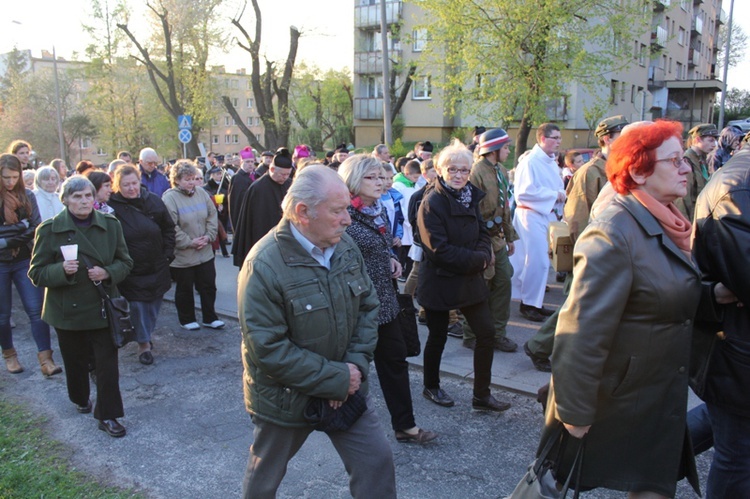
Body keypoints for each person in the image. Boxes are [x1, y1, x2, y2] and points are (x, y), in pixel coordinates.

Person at [542, 120, 730, 497]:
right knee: (559, 484)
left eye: (684, 159)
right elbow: (581, 330)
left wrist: (714, 296)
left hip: (656, 394)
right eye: (673, 160)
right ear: (639, 171)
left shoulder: (669, 221)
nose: (685, 167)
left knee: (652, 486)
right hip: (618, 399)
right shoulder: (614, 230)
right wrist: (575, 413)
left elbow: (662, 292)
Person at [238, 165, 396, 498]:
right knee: (264, 478)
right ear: (303, 212)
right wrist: (336, 378)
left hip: (347, 386)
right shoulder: (263, 265)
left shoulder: (344, 245)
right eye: (338, 211)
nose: (348, 219)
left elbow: (368, 307)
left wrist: (352, 367)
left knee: (376, 462)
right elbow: (268, 349)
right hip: (286, 398)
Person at [339, 155, 437, 444]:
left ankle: (405, 426)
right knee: (356, 369)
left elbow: (380, 244)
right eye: (372, 177)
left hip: (386, 300)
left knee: (395, 362)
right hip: (357, 306)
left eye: (382, 176)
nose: (381, 182)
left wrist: (391, 258)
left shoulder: (377, 207)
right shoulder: (343, 214)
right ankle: (347, 427)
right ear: (353, 180)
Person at [29, 175, 133, 437]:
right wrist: (61, 270)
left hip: (101, 307)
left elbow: (126, 262)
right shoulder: (50, 230)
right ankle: (80, 397)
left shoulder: (110, 225)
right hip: (68, 311)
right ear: (65, 200)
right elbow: (37, 273)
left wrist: (107, 272)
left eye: (88, 195)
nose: (84, 201)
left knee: (107, 366)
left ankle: (108, 414)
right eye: (77, 196)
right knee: (75, 363)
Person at [524, 115, 628, 371]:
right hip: (590, 251)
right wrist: (584, 256)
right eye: (621, 135)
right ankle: (538, 346)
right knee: (574, 306)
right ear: (607, 139)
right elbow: (576, 220)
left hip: (607, 249)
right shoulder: (589, 173)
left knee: (581, 306)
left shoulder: (614, 168)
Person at [417, 139, 511, 412]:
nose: (459, 176)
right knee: (437, 337)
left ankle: (482, 395)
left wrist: (483, 253)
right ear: (440, 170)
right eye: (453, 170)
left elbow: (482, 232)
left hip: (469, 278)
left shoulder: (470, 196)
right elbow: (439, 249)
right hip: (440, 279)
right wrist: (479, 260)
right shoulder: (432, 201)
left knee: (486, 333)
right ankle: (431, 385)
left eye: (464, 170)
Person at [692, 134, 750, 497]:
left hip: (737, 348)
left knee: (722, 427)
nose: (681, 167)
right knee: (737, 457)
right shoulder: (738, 189)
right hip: (736, 349)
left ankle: (637, 459)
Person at [0, 154, 62, 376]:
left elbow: (35, 227)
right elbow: (25, 229)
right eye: (5, 177)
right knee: (3, 314)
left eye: (14, 177)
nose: (10, 182)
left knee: (37, 311)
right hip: (1, 264)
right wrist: (19, 228)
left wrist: (6, 239)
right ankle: (10, 355)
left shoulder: (27, 196)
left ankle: (46, 359)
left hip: (24, 259)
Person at [109, 165, 176, 365]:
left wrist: (167, 254)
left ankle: (145, 333)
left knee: (154, 303)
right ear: (117, 185)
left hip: (157, 264)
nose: (131, 188)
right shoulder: (112, 207)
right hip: (132, 268)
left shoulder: (153, 200)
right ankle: (143, 343)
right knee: (138, 306)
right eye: (126, 184)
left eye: (134, 183)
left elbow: (168, 228)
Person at [461, 128, 518, 353]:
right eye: (505, 147)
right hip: (481, 238)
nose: (508, 150)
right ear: (493, 150)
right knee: (480, 285)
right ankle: (470, 333)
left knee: (503, 281)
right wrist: (483, 246)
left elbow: (505, 207)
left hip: (498, 237)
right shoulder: (476, 173)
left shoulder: (501, 170)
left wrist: (509, 235)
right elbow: (472, 211)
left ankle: (497, 333)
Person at [509, 123, 565, 322]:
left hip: (545, 214)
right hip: (531, 214)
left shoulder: (550, 161)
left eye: (559, 138)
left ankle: (535, 302)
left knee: (543, 262)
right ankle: (528, 304)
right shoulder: (530, 161)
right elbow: (523, 192)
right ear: (542, 138)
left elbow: (557, 186)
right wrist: (554, 195)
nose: (559, 142)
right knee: (537, 261)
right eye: (555, 138)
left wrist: (560, 196)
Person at [162, 160, 224, 331]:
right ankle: (187, 318)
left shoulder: (202, 194)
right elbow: (170, 226)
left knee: (208, 285)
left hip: (204, 250)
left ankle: (210, 317)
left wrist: (208, 236)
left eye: (193, 178)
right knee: (185, 288)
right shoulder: (170, 198)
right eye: (186, 179)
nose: (191, 182)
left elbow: (212, 216)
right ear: (177, 180)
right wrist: (189, 242)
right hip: (184, 254)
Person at [231, 148, 293, 268]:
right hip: (262, 240)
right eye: (282, 174)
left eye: (288, 174)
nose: (285, 177)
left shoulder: (289, 184)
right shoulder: (258, 188)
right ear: (272, 169)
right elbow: (251, 221)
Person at [675, 123, 719, 221]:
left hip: (701, 215)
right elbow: (682, 199)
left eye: (715, 140)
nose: (714, 144)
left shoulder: (702, 160)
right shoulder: (687, 161)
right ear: (698, 140)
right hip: (691, 219)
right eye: (711, 140)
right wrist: (686, 225)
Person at [228, 147, 258, 231]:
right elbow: (237, 201)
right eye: (247, 162)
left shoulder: (256, 175)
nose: (250, 164)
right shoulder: (237, 178)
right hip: (243, 215)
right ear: (241, 162)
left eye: (252, 161)